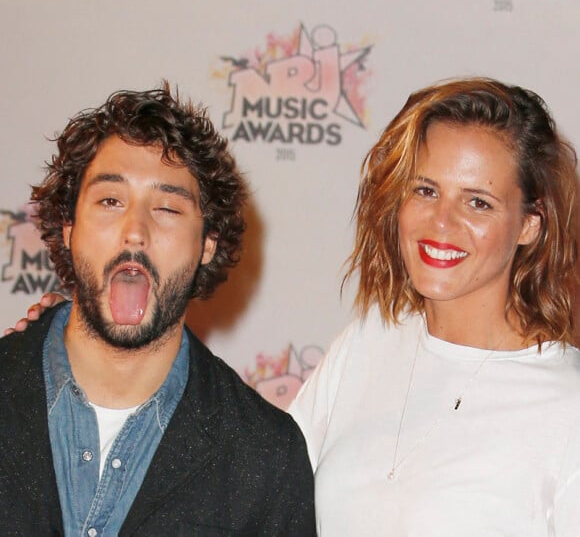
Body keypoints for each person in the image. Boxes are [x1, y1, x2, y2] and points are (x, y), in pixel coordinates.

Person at [0, 84, 315, 535]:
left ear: (207, 244)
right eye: (110, 201)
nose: (135, 231)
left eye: (167, 208)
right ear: (68, 227)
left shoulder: (264, 457)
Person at [288, 78, 580, 535]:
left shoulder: (568, 404)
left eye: (478, 202)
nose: (441, 222)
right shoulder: (365, 344)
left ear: (528, 224)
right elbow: (269, 503)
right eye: (425, 191)